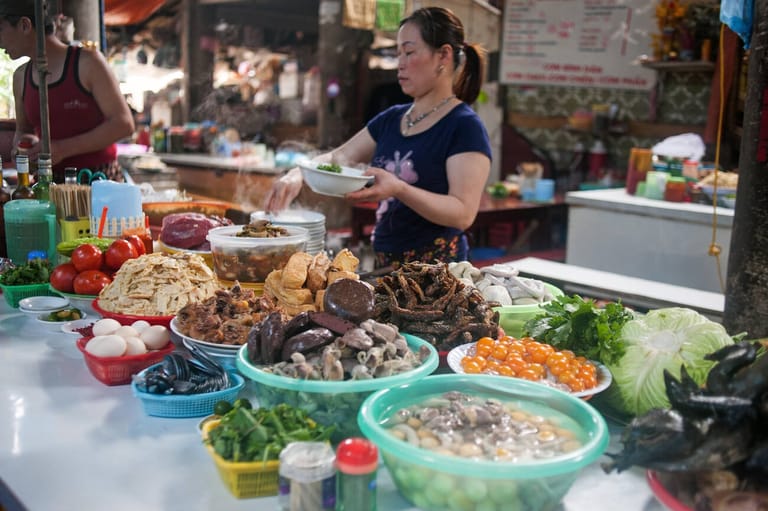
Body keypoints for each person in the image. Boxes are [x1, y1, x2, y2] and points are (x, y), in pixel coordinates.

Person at [265, 7, 491, 269]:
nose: (401, 63)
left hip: (438, 276)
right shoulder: (391, 119)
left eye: (409, 52)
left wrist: (399, 189)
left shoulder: (464, 126)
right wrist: (299, 173)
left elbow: (463, 213)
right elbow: (341, 156)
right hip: (385, 266)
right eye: (398, 54)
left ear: (443, 55)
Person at [0, 0, 134, 183]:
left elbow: (124, 124)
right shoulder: (21, 77)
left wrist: (63, 149)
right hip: (49, 182)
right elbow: (24, 129)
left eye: (0, 30)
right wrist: (23, 146)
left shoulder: (88, 63)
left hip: (99, 181)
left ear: (24, 25)